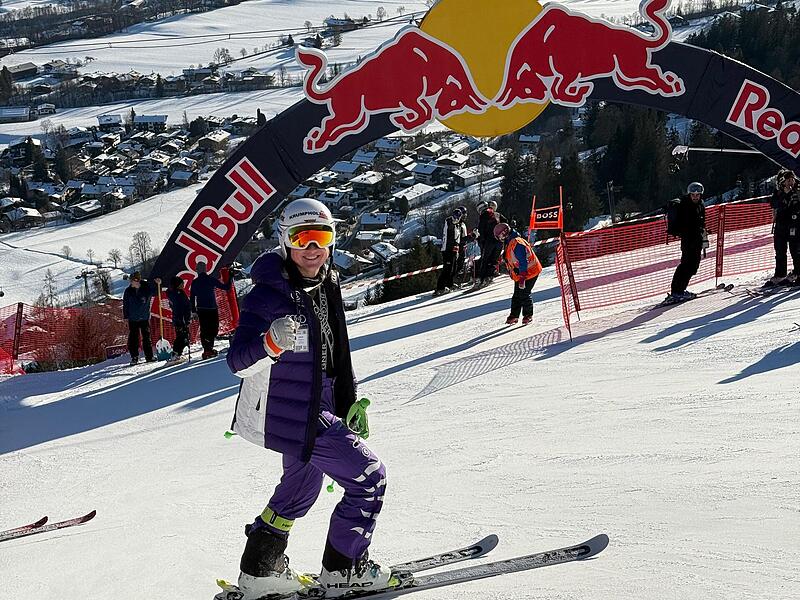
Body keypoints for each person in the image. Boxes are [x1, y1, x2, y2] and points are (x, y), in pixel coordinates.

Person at [226, 198, 391, 600]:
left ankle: (259, 572)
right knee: (369, 479)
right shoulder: (267, 296)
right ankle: (344, 570)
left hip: (324, 401)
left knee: (300, 489)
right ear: (285, 241)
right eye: (302, 238)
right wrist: (269, 343)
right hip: (295, 411)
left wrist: (350, 398)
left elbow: (335, 350)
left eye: (322, 237)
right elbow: (237, 362)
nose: (313, 248)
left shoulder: (327, 284)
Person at [494, 222, 542, 325]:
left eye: (500, 236)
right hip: (520, 273)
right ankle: (514, 316)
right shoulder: (509, 241)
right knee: (516, 295)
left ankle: (528, 315)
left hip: (530, 272)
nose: (500, 238)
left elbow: (523, 261)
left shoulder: (517, 243)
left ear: (505, 233)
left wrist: (522, 278)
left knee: (524, 293)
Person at [668, 182, 707, 302]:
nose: (695, 197)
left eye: (697, 194)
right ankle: (677, 291)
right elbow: (686, 225)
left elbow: (701, 222)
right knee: (686, 265)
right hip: (688, 240)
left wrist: (703, 236)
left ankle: (681, 290)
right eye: (693, 194)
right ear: (689, 194)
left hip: (697, 240)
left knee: (693, 266)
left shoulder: (701, 204)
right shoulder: (685, 206)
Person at [190, 259, 232, 359]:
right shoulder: (210, 279)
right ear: (206, 269)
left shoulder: (195, 282)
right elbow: (226, 287)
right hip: (212, 308)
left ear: (197, 270)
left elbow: (192, 298)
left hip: (201, 309)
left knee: (205, 329)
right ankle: (209, 349)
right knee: (213, 329)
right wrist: (230, 276)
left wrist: (194, 311)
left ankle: (207, 349)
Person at [769, 169, 800, 285]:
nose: (790, 182)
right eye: (788, 180)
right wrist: (784, 195)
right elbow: (773, 203)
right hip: (781, 225)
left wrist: (790, 195)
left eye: (792, 179)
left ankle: (798, 273)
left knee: (795, 251)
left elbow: (796, 206)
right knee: (780, 251)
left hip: (794, 225)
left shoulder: (797, 190)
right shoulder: (778, 191)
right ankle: (780, 274)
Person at [122, 271, 159, 364]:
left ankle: (149, 356)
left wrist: (158, 283)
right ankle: (134, 357)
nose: (130, 282)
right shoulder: (128, 291)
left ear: (136, 280)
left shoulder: (146, 288)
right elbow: (125, 304)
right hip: (133, 318)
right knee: (133, 338)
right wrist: (126, 317)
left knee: (146, 337)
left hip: (144, 317)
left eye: (132, 280)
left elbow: (156, 292)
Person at [434, 207, 463, 295]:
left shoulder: (457, 225)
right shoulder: (449, 222)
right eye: (455, 216)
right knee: (447, 269)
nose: (457, 218)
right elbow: (449, 224)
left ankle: (449, 285)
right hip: (447, 250)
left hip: (454, 250)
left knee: (453, 269)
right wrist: (453, 220)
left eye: (458, 216)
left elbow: (457, 238)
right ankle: (440, 288)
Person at [476, 200, 503, 287]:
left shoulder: (483, 216)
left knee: (485, 260)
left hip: (489, 241)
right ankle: (490, 276)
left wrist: (481, 241)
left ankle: (482, 278)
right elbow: (505, 221)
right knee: (494, 260)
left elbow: (481, 230)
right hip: (499, 240)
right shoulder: (496, 214)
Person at [165, 276, 191, 364]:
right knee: (182, 337)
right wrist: (186, 319)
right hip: (181, 319)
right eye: (181, 283)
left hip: (177, 319)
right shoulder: (178, 294)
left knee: (181, 336)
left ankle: (177, 353)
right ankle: (175, 354)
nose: (183, 285)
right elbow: (183, 307)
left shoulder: (172, 293)